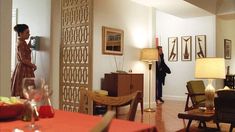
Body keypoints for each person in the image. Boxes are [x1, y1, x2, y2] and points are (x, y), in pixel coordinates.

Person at [11, 24, 37, 98]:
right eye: (27, 32)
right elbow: (23, 59)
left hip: (23, 67)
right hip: (24, 68)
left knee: (26, 92)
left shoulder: (22, 42)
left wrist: (29, 45)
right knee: (26, 92)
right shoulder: (21, 43)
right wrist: (33, 65)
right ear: (21, 33)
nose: (29, 34)